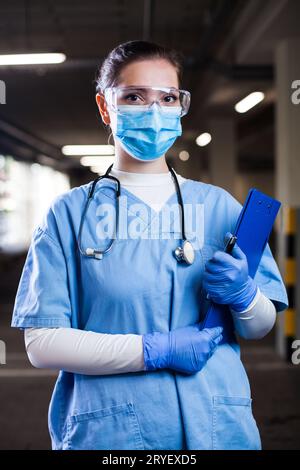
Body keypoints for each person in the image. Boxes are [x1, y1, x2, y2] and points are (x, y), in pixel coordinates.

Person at [11, 40, 288, 450]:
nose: (154, 110)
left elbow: (259, 325)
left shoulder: (219, 208)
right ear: (107, 107)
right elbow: (42, 343)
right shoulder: (69, 215)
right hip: (110, 434)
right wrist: (153, 350)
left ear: (180, 106)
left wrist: (246, 297)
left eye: (168, 97)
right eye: (134, 97)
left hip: (219, 427)